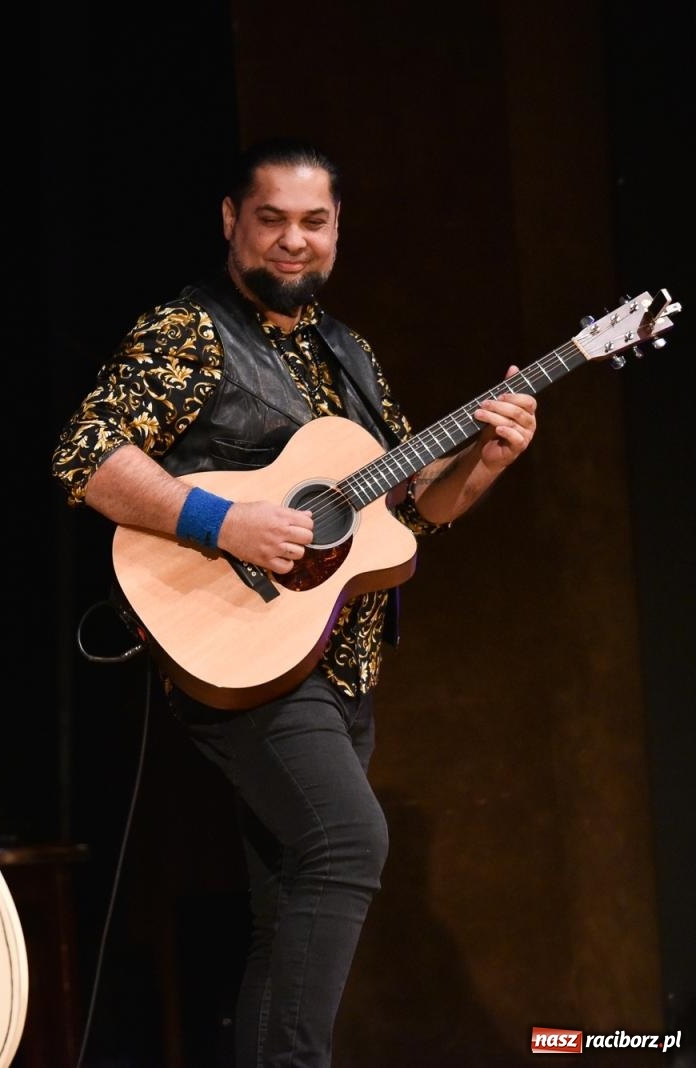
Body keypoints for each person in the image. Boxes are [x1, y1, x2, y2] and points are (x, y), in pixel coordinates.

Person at [50, 138, 539, 1067]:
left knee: (293, 900)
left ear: (337, 230)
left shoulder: (347, 356)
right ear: (231, 220)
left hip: (337, 662)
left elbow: (410, 518)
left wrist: (484, 459)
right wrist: (222, 524)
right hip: (241, 645)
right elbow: (88, 455)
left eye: (313, 223)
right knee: (351, 845)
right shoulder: (188, 332)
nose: (292, 241)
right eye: (270, 219)